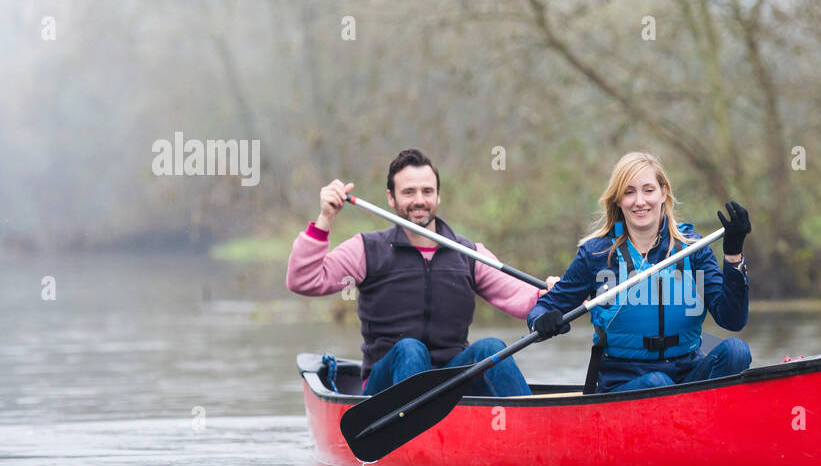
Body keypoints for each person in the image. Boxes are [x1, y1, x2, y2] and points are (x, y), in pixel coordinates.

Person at [286, 148, 553, 396]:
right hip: (384, 392)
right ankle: (410, 438)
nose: (419, 200)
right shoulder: (366, 250)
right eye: (409, 192)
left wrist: (557, 292)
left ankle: (534, 431)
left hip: (449, 384)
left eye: (427, 191)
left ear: (438, 196)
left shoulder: (469, 253)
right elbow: (303, 280)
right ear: (390, 197)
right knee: (410, 349)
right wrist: (325, 219)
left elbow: (525, 298)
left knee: (491, 348)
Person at [527, 151, 751, 393]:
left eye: (648, 190)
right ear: (618, 200)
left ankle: (701, 418)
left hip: (688, 376)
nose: (640, 201)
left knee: (737, 352)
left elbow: (733, 320)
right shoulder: (596, 254)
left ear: (663, 193)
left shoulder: (693, 249)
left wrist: (733, 255)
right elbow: (540, 310)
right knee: (657, 383)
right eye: (629, 192)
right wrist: (542, 321)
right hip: (623, 383)